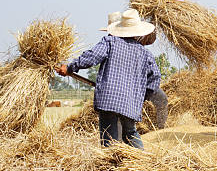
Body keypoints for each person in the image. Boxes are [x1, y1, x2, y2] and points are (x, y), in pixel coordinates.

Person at [56, 9, 161, 149]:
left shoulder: (110, 42)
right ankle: (144, 160)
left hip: (109, 99)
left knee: (108, 137)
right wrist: (142, 96)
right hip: (131, 102)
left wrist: (70, 67)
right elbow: (155, 77)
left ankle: (110, 166)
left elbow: (91, 57)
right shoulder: (145, 53)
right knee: (130, 133)